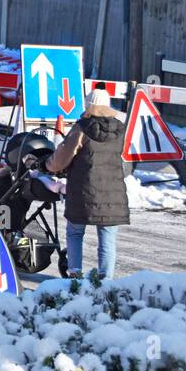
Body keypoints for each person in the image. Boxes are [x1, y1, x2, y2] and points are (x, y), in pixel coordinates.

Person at [44, 88, 129, 278]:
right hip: (113, 192)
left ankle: (74, 276)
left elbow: (63, 156)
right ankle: (106, 280)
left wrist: (49, 165)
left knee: (75, 232)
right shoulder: (120, 128)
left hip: (84, 189)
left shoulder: (82, 128)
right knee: (107, 238)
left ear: (88, 104)